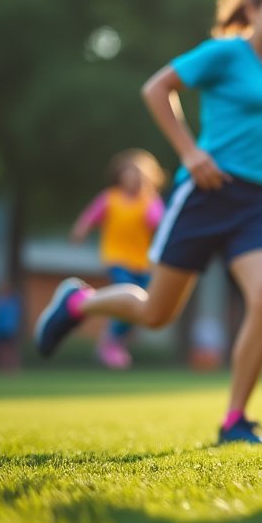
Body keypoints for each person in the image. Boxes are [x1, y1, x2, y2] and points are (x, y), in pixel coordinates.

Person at [35, 0, 262, 446]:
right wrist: (190, 152)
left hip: (256, 201)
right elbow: (156, 89)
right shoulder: (224, 54)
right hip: (204, 196)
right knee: (155, 314)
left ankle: (235, 420)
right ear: (253, 9)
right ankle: (80, 302)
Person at [70, 149, 166, 369]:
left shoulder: (149, 201)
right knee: (127, 292)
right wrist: (81, 230)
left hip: (142, 263)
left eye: (139, 174)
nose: (133, 178)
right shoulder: (110, 198)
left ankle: (115, 341)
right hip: (116, 258)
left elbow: (159, 222)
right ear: (121, 175)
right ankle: (109, 342)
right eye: (129, 172)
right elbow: (90, 217)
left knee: (141, 305)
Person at [0, 282, 22, 373]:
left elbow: (17, 316)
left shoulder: (14, 301)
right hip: (0, 329)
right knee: (0, 351)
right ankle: (0, 369)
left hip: (11, 329)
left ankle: (13, 369)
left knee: (12, 351)